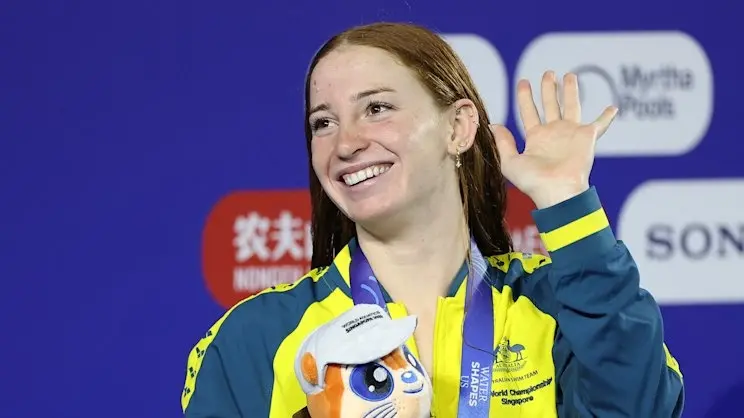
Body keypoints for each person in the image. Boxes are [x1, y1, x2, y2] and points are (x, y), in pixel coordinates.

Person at [180, 22, 684, 417]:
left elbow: (639, 407)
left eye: (376, 108)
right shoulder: (255, 338)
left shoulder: (555, 308)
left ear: (458, 127)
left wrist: (566, 201)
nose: (346, 143)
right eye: (323, 122)